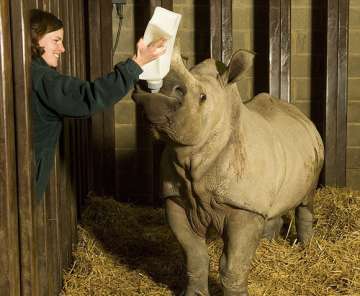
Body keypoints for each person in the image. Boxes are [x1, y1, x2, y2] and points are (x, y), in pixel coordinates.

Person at [30, 9, 166, 200]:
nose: (62, 48)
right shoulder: (42, 78)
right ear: (35, 38)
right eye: (56, 40)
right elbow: (89, 96)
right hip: (22, 183)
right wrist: (138, 63)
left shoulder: (29, 72)